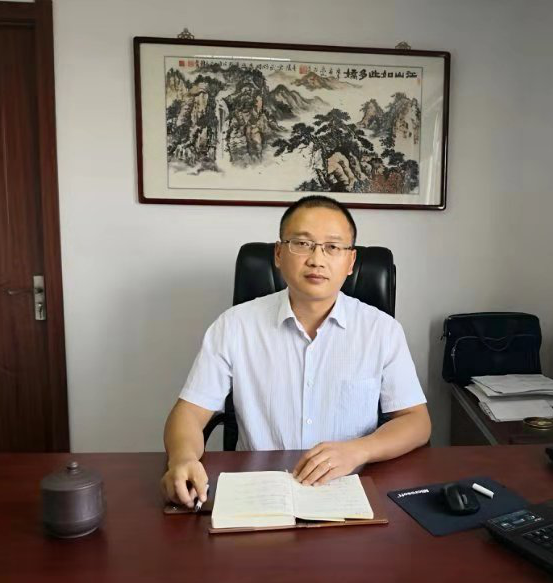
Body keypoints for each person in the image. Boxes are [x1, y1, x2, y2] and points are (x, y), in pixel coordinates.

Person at [161, 195, 431, 508]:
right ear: (278, 253)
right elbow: (189, 413)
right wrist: (182, 459)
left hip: (349, 488)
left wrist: (359, 450)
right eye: (302, 244)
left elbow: (416, 422)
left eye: (333, 247)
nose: (317, 259)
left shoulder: (381, 330)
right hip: (259, 489)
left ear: (350, 262)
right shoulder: (235, 326)